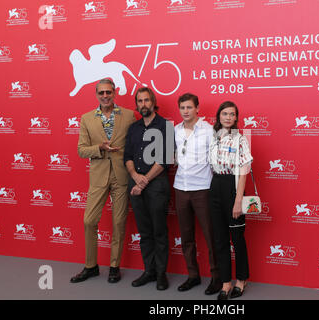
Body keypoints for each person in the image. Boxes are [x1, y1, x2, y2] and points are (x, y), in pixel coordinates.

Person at [71, 78, 136, 284]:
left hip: (121, 175)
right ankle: (91, 266)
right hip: (99, 176)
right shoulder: (87, 118)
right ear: (96, 94)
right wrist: (99, 147)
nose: (106, 96)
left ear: (114, 92)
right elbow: (82, 149)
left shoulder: (128, 115)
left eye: (109, 92)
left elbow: (134, 145)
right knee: (89, 221)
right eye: (102, 93)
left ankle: (114, 267)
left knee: (118, 222)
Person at [124, 87, 173, 290]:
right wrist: (136, 177)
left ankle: (161, 274)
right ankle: (149, 271)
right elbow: (127, 156)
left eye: (147, 100)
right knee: (145, 232)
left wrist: (143, 181)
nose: (143, 104)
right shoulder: (133, 128)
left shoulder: (166, 126)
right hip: (136, 185)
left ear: (153, 102)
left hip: (157, 185)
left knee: (159, 231)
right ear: (137, 104)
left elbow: (166, 158)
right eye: (140, 101)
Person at [173, 93, 222, 295]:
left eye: (189, 107)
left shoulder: (209, 131)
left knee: (211, 236)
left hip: (202, 189)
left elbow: (217, 160)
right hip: (180, 188)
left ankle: (217, 278)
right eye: (182, 107)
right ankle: (193, 276)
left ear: (197, 108)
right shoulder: (174, 130)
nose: (185, 111)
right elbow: (173, 156)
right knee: (186, 237)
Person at [208, 101, 253, 300]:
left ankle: (241, 280)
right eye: (224, 113)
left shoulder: (240, 139)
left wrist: (238, 200)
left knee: (237, 238)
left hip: (233, 187)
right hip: (215, 187)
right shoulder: (214, 137)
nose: (228, 117)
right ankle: (226, 282)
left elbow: (244, 172)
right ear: (219, 116)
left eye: (231, 114)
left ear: (236, 118)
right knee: (220, 240)